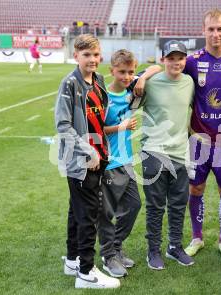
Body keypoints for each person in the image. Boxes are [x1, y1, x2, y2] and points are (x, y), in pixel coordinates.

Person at [133, 9, 221, 261]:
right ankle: (196, 237)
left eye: (220, 29)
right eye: (211, 29)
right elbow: (165, 67)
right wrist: (147, 73)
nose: (215, 34)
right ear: (203, 31)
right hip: (197, 141)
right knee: (195, 189)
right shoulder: (193, 61)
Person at [56, 34, 120, 289]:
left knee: (77, 210)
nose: (92, 59)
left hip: (99, 157)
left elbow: (99, 120)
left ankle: (72, 260)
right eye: (86, 55)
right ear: (76, 56)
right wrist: (88, 151)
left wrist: (101, 150)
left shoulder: (99, 80)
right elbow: (63, 125)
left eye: (95, 54)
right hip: (81, 162)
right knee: (88, 216)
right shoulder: (69, 84)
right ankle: (86, 272)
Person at [141, 40, 195, 270]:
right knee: (155, 206)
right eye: (171, 58)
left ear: (185, 60)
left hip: (180, 153)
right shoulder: (151, 82)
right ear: (163, 59)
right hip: (153, 151)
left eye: (180, 58)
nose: (176, 62)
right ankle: (153, 250)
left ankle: (174, 247)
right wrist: (144, 76)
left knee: (178, 204)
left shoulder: (190, 82)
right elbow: (130, 99)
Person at [98, 49, 141, 278]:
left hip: (127, 161)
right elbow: (97, 129)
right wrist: (120, 127)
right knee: (107, 212)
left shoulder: (132, 91)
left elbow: (155, 69)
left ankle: (115, 246)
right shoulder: (104, 97)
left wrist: (140, 78)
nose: (126, 76)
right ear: (111, 70)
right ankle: (108, 256)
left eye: (130, 72)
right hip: (109, 163)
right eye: (122, 71)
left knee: (134, 206)